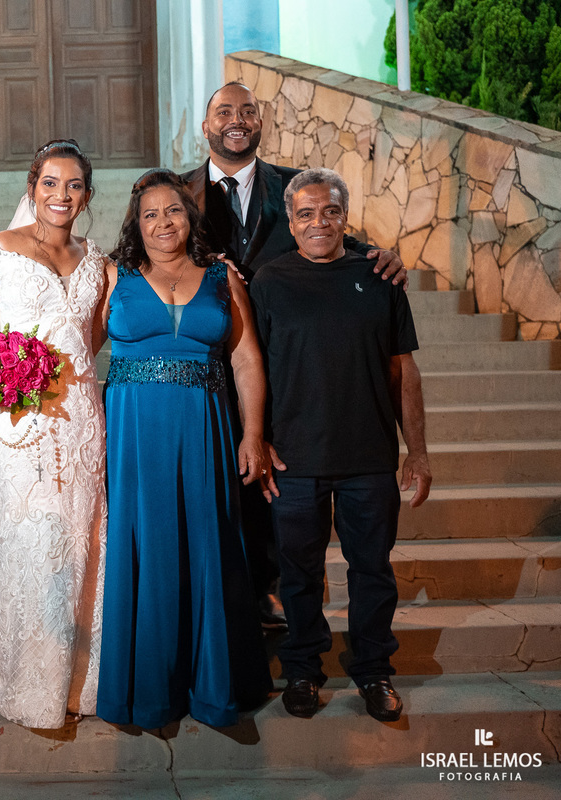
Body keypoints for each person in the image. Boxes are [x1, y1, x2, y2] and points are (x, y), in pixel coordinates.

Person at [182, 81, 408, 629]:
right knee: (221, 489)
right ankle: (225, 601)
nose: (237, 119)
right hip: (204, 368)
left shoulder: (292, 187)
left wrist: (375, 256)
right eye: (224, 111)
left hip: (286, 366)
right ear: (205, 127)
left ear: (260, 123)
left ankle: (282, 602)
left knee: (276, 484)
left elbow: (324, 234)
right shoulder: (179, 195)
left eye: (248, 111)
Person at [249, 168, 431, 722]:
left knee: (371, 571)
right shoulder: (269, 282)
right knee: (299, 574)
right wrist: (254, 438)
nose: (318, 223)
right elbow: (249, 369)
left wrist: (417, 451)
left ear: (344, 216)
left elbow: (405, 372)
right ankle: (303, 669)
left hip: (369, 460)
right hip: (294, 460)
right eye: (305, 214)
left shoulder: (380, 278)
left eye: (329, 211)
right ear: (291, 221)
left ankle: (374, 670)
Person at [95, 169, 275, 729]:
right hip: (134, 436)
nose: (162, 222)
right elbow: (73, 352)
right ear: (136, 224)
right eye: (149, 214)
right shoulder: (112, 276)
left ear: (190, 216)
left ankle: (213, 687)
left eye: (172, 210)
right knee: (145, 550)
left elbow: (245, 361)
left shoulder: (223, 278)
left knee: (207, 545)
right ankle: (149, 691)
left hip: (205, 431)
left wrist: (252, 434)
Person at [0, 139, 108, 730]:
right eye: (49, 183)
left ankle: (80, 681)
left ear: (87, 195)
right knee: (32, 542)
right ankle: (27, 681)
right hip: (20, 421)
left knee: (85, 540)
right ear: (32, 187)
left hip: (84, 421)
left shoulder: (98, 262)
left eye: (72, 185)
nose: (60, 195)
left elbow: (92, 336)